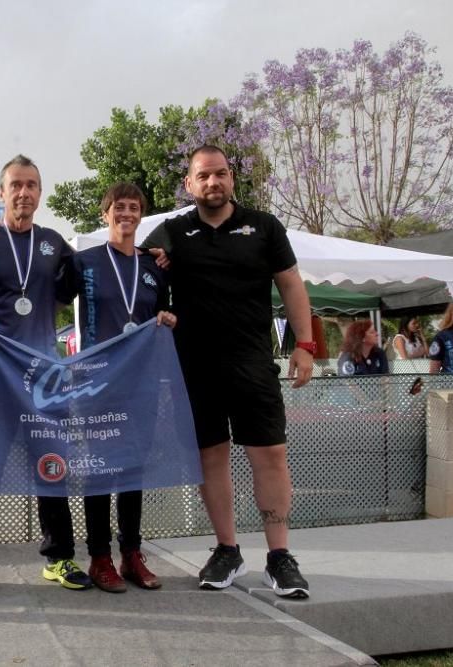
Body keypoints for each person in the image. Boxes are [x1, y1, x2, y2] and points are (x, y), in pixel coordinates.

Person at [140, 145, 315, 599]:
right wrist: (153, 273)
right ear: (190, 184)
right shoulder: (173, 231)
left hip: (253, 364)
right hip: (194, 368)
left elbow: (291, 283)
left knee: (270, 456)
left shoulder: (265, 226)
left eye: (220, 174)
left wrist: (306, 344)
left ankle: (280, 556)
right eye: (204, 176)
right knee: (210, 458)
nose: (213, 183)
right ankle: (226, 548)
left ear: (231, 178)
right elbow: (135, 273)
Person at [0, 154, 89, 602]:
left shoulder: (54, 244)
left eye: (31, 185)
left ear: (40, 194)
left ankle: (59, 557)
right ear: (1, 192)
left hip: (44, 377)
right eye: (16, 185)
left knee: (51, 467)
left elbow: (82, 283)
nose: (23, 192)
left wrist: (150, 256)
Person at [71, 183, 176, 593]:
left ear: (140, 215)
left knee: (133, 468)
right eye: (119, 207)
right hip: (97, 383)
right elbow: (51, 293)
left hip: (141, 382)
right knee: (100, 470)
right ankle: (99, 557)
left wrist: (170, 318)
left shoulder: (154, 268)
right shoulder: (84, 262)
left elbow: (166, 310)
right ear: (106, 215)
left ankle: (131, 553)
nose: (126, 213)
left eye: (133, 207)